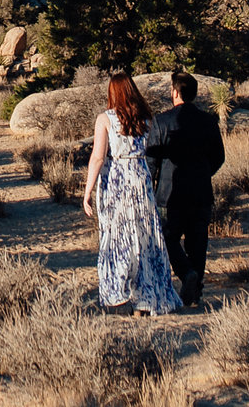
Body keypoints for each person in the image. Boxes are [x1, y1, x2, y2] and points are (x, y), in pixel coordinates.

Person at [82, 69, 181, 315]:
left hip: (117, 180)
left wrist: (88, 190)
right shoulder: (146, 119)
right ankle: (146, 295)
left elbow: (97, 157)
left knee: (118, 236)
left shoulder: (105, 119)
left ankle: (120, 293)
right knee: (144, 235)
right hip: (141, 178)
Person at [145, 70, 226, 307]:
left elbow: (152, 160)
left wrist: (150, 187)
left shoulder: (161, 121)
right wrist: (203, 173)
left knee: (168, 239)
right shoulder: (209, 121)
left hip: (170, 195)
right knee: (198, 242)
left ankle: (187, 274)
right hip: (201, 192)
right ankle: (195, 290)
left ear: (174, 92)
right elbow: (218, 157)